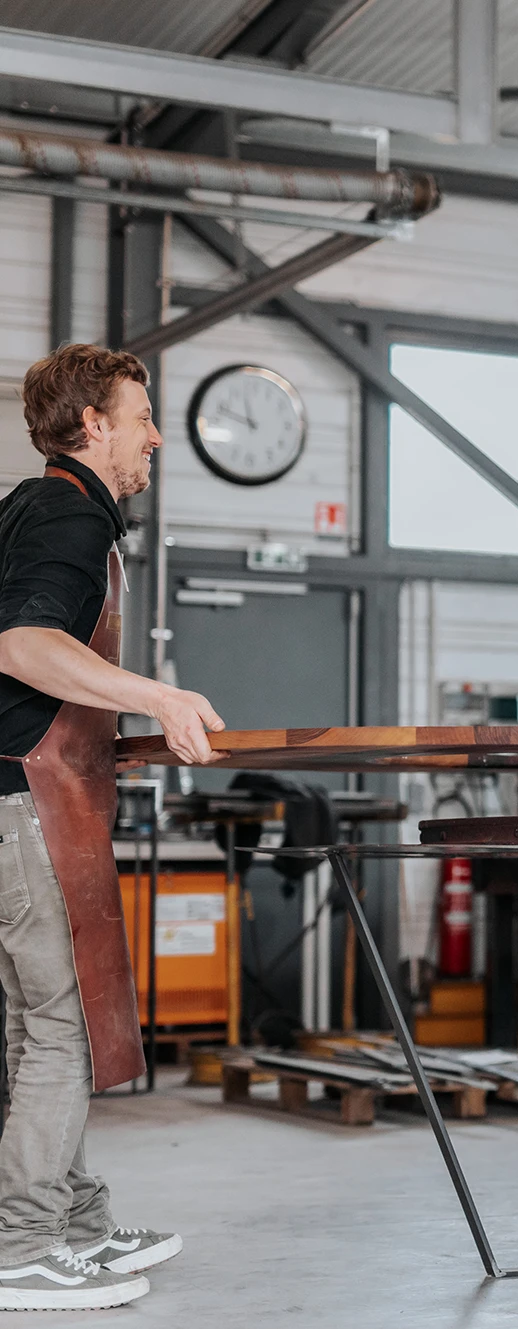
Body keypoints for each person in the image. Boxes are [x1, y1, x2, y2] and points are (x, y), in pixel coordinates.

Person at [0, 344, 226, 1311]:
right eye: (141, 417)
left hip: (25, 796)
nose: (154, 437)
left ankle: (73, 1223)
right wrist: (158, 695)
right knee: (67, 1034)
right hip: (31, 802)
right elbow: (24, 641)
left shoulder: (26, 504)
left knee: (34, 1030)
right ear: (93, 424)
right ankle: (23, 1244)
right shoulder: (65, 510)